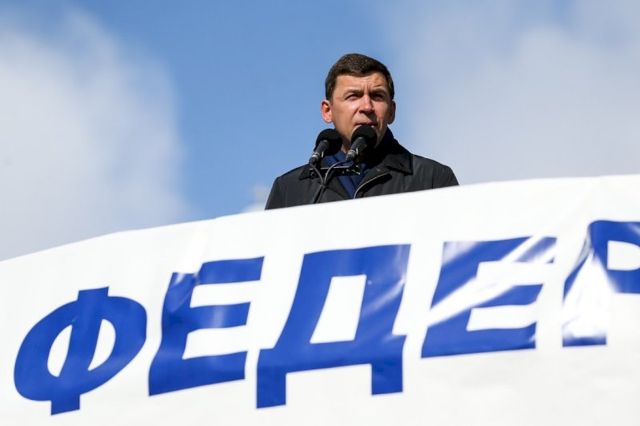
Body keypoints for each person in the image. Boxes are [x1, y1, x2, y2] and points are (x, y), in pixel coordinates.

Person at [265, 53, 458, 209]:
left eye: (377, 96)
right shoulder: (290, 189)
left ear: (392, 111)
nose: (367, 106)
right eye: (353, 96)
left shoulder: (432, 179)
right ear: (327, 111)